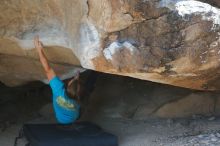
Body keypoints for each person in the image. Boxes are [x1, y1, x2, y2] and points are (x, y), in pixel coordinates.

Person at [34, 36, 80, 124]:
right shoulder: (76, 102)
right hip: (74, 118)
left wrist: (39, 50)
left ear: (69, 85)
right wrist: (76, 80)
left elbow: (48, 69)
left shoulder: (59, 90)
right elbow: (76, 90)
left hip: (61, 120)